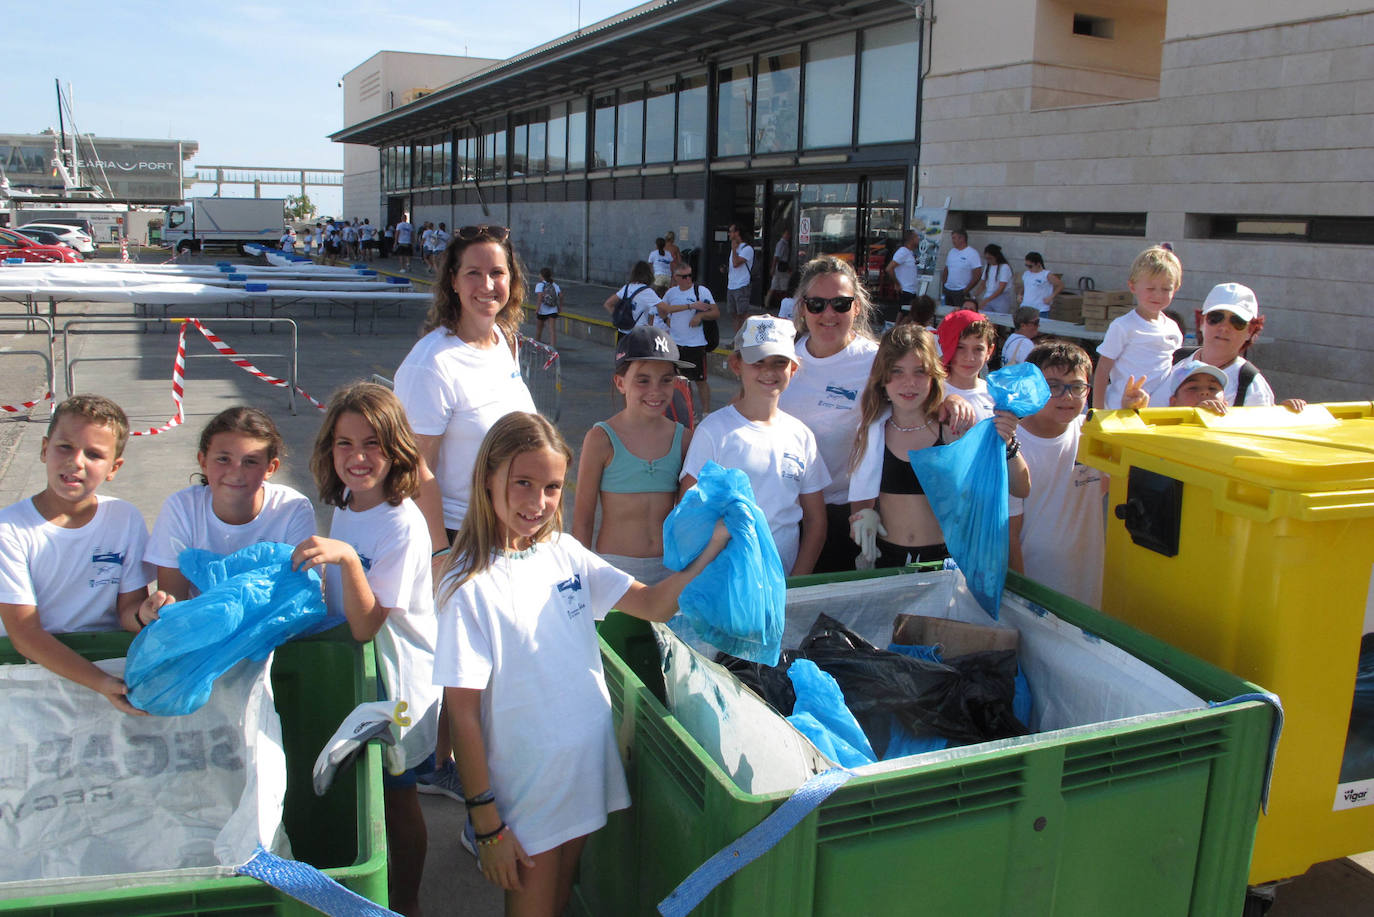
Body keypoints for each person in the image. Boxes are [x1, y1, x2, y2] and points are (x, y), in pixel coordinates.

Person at [436, 411, 730, 917]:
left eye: (551, 487)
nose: (537, 502)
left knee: (560, 895)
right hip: (528, 784)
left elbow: (654, 605)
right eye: (522, 483)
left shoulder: (566, 553)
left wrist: (716, 548)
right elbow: (461, 711)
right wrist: (485, 821)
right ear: (488, 477)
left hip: (583, 766)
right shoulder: (468, 587)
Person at [393, 222, 535, 801]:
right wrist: (438, 548)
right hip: (457, 530)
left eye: (497, 272)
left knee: (484, 661)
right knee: (462, 663)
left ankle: (452, 761)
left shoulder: (502, 342)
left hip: (507, 528)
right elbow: (414, 468)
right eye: (472, 272)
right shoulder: (433, 364)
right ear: (451, 281)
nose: (486, 284)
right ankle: (443, 766)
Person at [290, 382, 440, 917]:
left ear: (398, 449)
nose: (357, 457)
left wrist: (347, 560)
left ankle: (408, 901)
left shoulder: (401, 523)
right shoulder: (350, 507)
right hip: (365, 678)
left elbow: (366, 625)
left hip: (398, 687)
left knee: (398, 800)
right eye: (344, 444)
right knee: (369, 791)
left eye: (372, 444)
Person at [780, 256, 976, 574]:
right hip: (785, 511)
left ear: (856, 307)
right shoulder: (782, 358)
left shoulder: (875, 361)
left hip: (849, 514)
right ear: (803, 307)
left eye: (841, 304)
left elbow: (917, 389)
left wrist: (952, 399)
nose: (828, 314)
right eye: (817, 304)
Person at [0, 395, 166, 715]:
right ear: (44, 448)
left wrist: (146, 614)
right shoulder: (9, 529)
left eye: (93, 454)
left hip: (105, 664)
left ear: (114, 468)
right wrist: (100, 683)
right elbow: (25, 634)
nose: (76, 462)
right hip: (30, 676)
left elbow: (127, 609)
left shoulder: (124, 518)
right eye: (65, 446)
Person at [849, 325, 1030, 569]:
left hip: (945, 563)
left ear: (934, 375)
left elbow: (1021, 488)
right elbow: (859, 508)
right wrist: (861, 520)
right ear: (882, 378)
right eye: (897, 371)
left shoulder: (953, 427)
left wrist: (1007, 444)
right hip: (887, 560)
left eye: (920, 372)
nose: (909, 383)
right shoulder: (871, 431)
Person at [681, 315, 829, 576]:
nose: (768, 372)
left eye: (779, 363)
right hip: (726, 584)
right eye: (757, 362)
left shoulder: (802, 436)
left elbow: (815, 521)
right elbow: (687, 511)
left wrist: (797, 580)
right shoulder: (714, 431)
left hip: (783, 582)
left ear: (793, 369)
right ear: (736, 364)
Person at [1008, 342, 1147, 607]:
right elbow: (1009, 533)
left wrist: (1129, 416)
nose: (1067, 396)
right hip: (1033, 587)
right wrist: (1018, 593)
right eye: (1053, 386)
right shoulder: (1011, 443)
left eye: (1076, 387)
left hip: (1087, 583)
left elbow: (1115, 481)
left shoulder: (1093, 433)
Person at [144, 406, 315, 603]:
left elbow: (298, 595)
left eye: (250, 461)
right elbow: (172, 601)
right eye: (223, 459)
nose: (235, 473)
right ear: (203, 461)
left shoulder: (292, 508)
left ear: (270, 468)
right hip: (201, 628)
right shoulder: (181, 508)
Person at [573, 326, 694, 584]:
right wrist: (579, 579)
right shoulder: (601, 439)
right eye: (643, 379)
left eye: (666, 379)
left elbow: (690, 515)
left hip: (670, 569)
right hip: (614, 570)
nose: (656, 390)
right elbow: (583, 519)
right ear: (620, 383)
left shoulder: (683, 439)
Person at [1164, 282, 1305, 411]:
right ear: (1202, 322)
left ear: (1250, 331)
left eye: (1237, 322)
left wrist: (1285, 414)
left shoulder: (1251, 385)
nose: (1224, 327)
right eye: (1216, 317)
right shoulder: (1171, 359)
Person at [1093, 245, 1184, 410]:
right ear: (1133, 287)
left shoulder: (1173, 328)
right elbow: (1102, 370)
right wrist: (1097, 411)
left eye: (1166, 289)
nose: (1158, 295)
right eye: (1150, 288)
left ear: (1176, 289)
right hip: (1119, 411)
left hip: (1156, 412)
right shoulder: (1122, 326)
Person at [653, 262, 719, 416]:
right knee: (682, 381)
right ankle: (690, 412)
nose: (688, 279)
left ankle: (706, 412)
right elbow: (661, 310)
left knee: (700, 380)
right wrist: (667, 321)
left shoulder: (701, 291)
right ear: (676, 278)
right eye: (684, 276)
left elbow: (715, 312)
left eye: (690, 275)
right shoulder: (671, 293)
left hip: (696, 344)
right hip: (677, 343)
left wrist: (701, 315)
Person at [937, 308, 998, 420]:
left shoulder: (996, 395)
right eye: (960, 347)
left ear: (989, 351)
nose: (969, 358)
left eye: (978, 349)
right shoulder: (932, 392)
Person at [602, 261, 658, 338]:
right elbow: (654, 313)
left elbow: (608, 304)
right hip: (639, 333)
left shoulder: (627, 287)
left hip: (623, 332)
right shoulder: (648, 292)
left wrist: (618, 316)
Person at [723, 223, 755, 338]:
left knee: (742, 314)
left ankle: (748, 336)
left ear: (737, 233)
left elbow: (736, 263)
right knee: (734, 314)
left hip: (742, 285)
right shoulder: (735, 249)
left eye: (731, 231)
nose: (729, 234)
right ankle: (737, 339)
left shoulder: (747, 249)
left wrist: (734, 249)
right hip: (731, 285)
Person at [941, 229, 983, 309]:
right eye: (952, 238)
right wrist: (944, 285)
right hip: (948, 290)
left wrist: (965, 291)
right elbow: (946, 269)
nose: (952, 241)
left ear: (962, 238)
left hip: (961, 291)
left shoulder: (972, 253)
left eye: (954, 238)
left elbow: (977, 275)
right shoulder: (951, 251)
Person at [885, 230, 922, 315]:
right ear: (911, 239)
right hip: (905, 289)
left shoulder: (910, 253)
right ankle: (898, 327)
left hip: (912, 290)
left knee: (904, 313)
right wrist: (897, 283)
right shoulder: (903, 252)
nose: (919, 239)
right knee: (908, 314)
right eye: (917, 237)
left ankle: (897, 327)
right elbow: (889, 268)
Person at [975, 243, 1014, 314]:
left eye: (990, 258)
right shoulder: (988, 266)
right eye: (986, 258)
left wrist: (987, 300)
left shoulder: (1004, 267)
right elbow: (982, 284)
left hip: (1001, 298)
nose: (989, 260)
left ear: (996, 256)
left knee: (1000, 321)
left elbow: (1001, 289)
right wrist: (974, 296)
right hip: (988, 296)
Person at [533, 266, 563, 348]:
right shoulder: (554, 285)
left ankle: (537, 345)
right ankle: (552, 347)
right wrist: (560, 307)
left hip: (542, 310)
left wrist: (537, 309)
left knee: (539, 329)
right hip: (553, 310)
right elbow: (561, 295)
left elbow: (539, 297)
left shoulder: (540, 285)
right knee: (552, 330)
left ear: (542, 276)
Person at [767, 227, 793, 313]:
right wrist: (773, 267)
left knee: (775, 286)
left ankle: (768, 303)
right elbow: (776, 256)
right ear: (783, 234)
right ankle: (771, 303)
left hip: (780, 267)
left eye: (788, 234)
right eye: (786, 234)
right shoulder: (782, 244)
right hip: (781, 267)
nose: (788, 236)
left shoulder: (784, 243)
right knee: (783, 286)